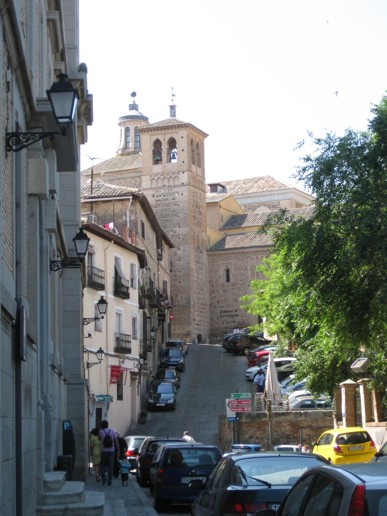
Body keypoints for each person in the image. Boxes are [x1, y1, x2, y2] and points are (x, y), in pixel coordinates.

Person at [99, 420, 120, 486]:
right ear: (108, 425)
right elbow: (116, 441)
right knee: (111, 466)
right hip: (111, 451)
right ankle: (109, 481)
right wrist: (118, 449)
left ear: (102, 425)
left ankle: (104, 479)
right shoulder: (113, 431)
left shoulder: (101, 431)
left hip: (103, 451)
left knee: (102, 465)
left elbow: (100, 439)